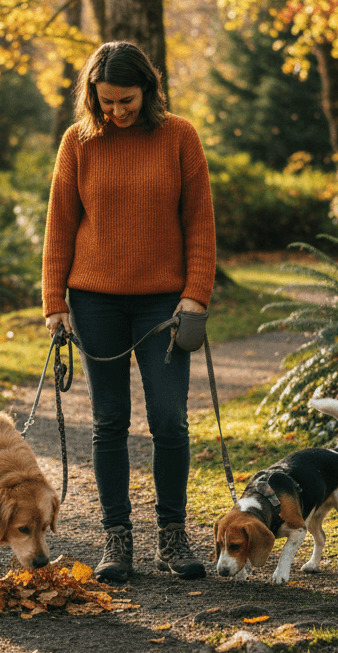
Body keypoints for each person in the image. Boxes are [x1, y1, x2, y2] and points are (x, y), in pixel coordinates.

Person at [41, 40, 217, 583]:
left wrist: (196, 293)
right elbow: (61, 224)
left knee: (169, 419)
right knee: (109, 420)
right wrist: (54, 302)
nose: (116, 111)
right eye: (105, 102)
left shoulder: (180, 137)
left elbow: (200, 223)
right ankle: (116, 540)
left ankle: (172, 536)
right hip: (95, 302)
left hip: (164, 303)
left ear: (148, 89)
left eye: (126, 100)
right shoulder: (78, 142)